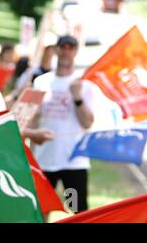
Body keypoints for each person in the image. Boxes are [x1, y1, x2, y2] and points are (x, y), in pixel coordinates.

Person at [29, 35, 99, 213]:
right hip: (44, 159)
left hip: (73, 162)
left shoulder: (84, 85)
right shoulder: (41, 81)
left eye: (71, 48)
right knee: (39, 211)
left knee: (76, 211)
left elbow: (87, 123)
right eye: (63, 47)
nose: (66, 52)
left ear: (75, 52)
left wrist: (77, 97)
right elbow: (31, 117)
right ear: (57, 50)